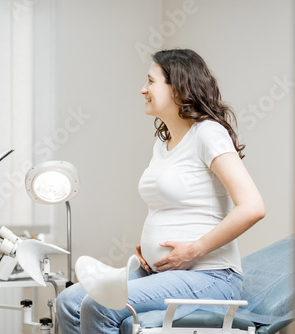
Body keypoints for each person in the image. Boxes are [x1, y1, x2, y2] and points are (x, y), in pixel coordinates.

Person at [56, 49, 265, 333]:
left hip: (212, 276)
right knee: (67, 301)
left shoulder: (208, 133)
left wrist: (193, 250)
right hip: (163, 270)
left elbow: (253, 207)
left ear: (178, 87)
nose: (143, 90)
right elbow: (171, 205)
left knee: (101, 304)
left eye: (151, 82)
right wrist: (151, 243)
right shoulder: (163, 144)